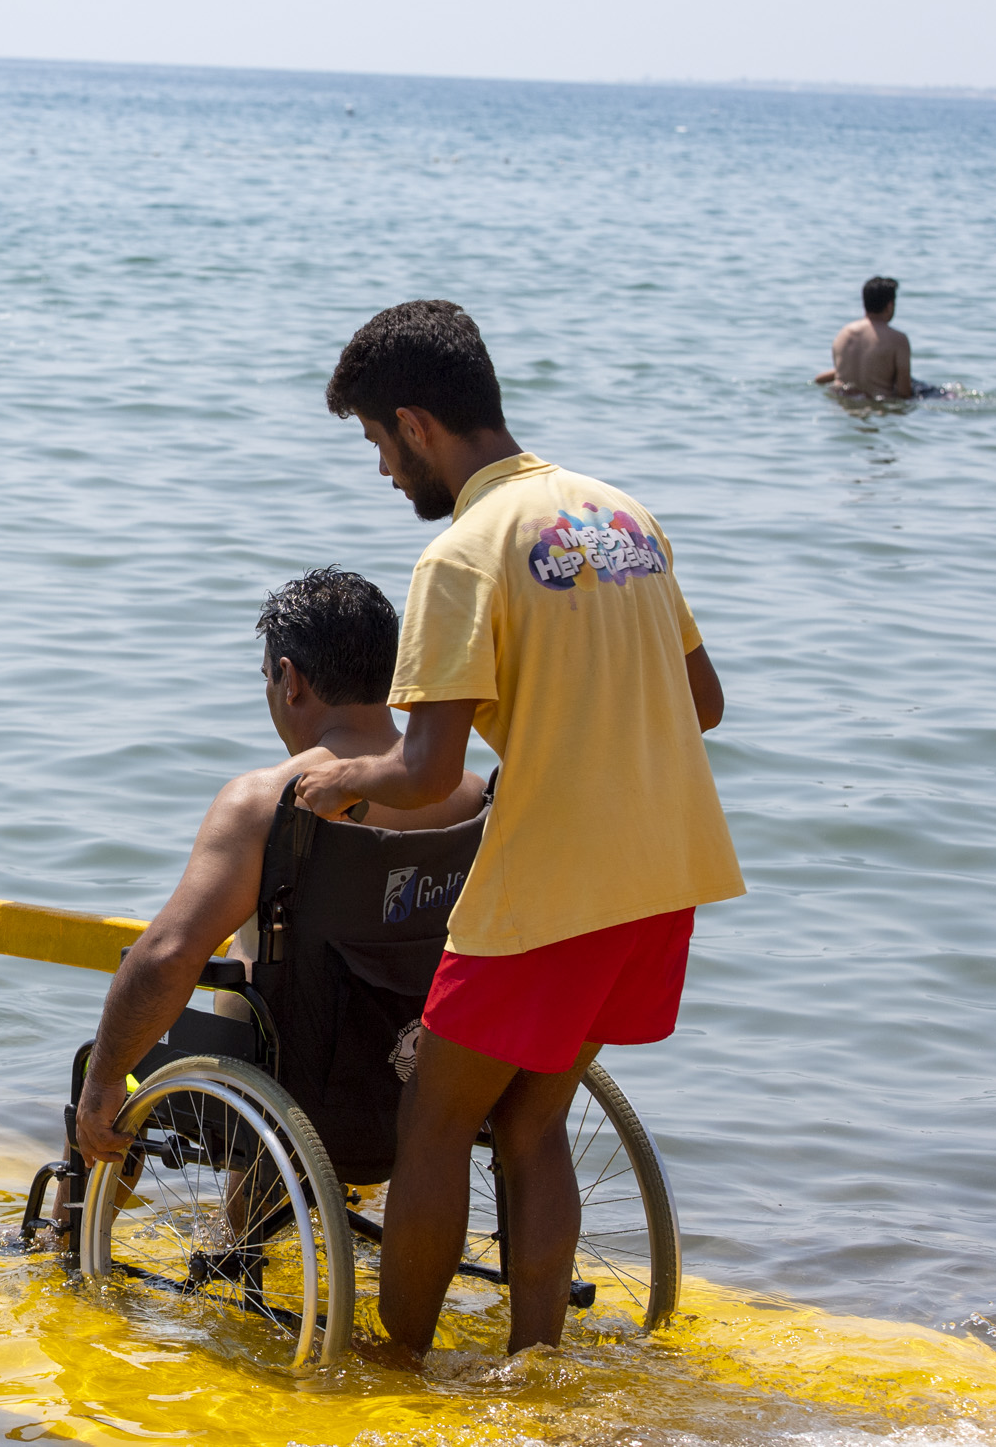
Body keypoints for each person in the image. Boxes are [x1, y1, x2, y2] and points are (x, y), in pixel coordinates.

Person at [285, 299, 744, 1358]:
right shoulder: (619, 515)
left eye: (375, 446)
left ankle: (399, 1358)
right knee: (529, 1121)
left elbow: (423, 769)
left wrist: (340, 780)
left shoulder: (460, 555)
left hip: (547, 892)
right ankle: (533, 1358)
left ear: (413, 424)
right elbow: (702, 705)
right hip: (662, 876)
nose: (384, 474)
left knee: (435, 1121)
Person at [67, 567, 488, 1228]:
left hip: (297, 1084)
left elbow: (171, 952)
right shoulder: (464, 793)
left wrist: (100, 1086)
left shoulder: (266, 801)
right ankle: (250, 1223)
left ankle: (70, 1236)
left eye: (267, 678)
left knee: (111, 1060)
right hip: (421, 1076)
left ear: (289, 678)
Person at [813, 276, 916, 399]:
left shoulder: (844, 334)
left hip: (842, 401)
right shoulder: (898, 339)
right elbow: (904, 393)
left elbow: (834, 374)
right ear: (890, 305)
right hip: (878, 403)